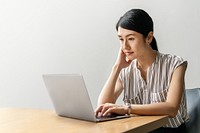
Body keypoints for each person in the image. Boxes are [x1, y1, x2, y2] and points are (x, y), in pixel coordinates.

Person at [95, 9, 188, 133]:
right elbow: (102, 106)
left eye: (131, 39)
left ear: (149, 37)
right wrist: (116, 67)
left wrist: (127, 109)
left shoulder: (175, 64)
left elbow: (171, 108)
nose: (125, 46)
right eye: (121, 39)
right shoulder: (125, 70)